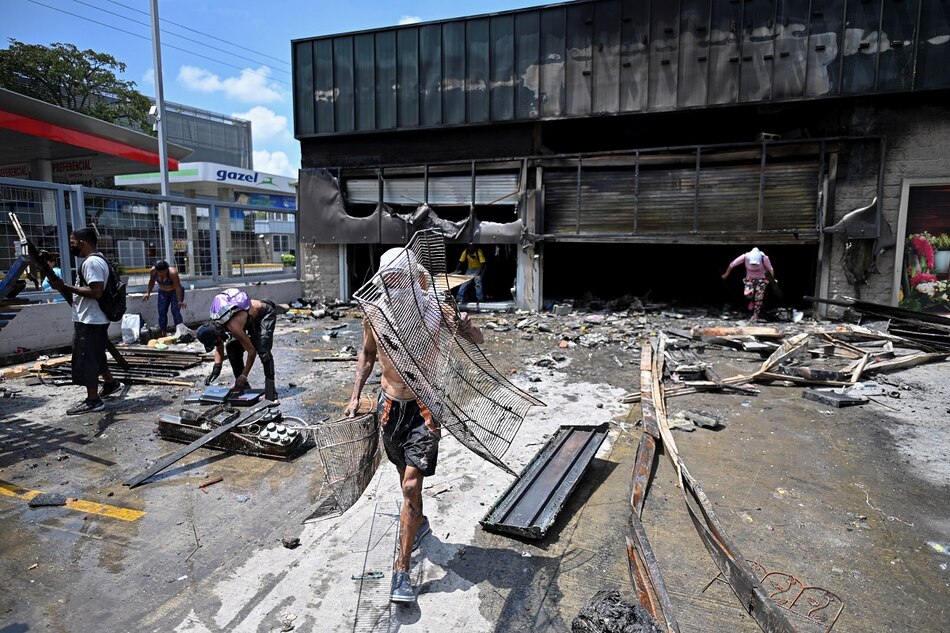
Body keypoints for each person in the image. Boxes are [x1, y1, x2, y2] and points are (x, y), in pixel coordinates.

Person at [344, 247, 484, 604]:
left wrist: (467, 326)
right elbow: (368, 354)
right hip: (389, 406)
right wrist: (354, 394)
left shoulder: (435, 308)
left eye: (397, 280)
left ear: (412, 279)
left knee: (409, 485)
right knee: (402, 473)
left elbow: (476, 339)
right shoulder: (375, 312)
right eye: (386, 281)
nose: (392, 287)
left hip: (425, 405)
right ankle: (417, 521)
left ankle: (401, 571)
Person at [48, 228, 125, 415]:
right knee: (96, 353)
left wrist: (64, 286)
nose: (72, 247)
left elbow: (96, 291)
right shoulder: (99, 260)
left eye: (73, 243)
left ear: (82, 243)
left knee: (86, 358)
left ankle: (93, 400)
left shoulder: (91, 263)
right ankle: (110, 382)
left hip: (91, 319)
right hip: (95, 318)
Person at [195, 288, 279, 401]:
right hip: (247, 319)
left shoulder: (233, 327)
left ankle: (271, 392)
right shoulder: (216, 324)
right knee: (232, 348)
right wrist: (216, 370)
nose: (216, 343)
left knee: (264, 351)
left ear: (217, 335)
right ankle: (243, 387)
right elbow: (219, 346)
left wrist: (244, 375)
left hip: (264, 314)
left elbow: (251, 352)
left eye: (215, 341)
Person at [722, 247, 777, 321]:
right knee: (747, 294)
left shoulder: (764, 258)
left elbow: (770, 269)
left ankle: (755, 316)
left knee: (759, 299)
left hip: (761, 280)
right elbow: (732, 264)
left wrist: (771, 280)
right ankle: (752, 300)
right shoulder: (745, 257)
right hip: (750, 279)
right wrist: (726, 274)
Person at [143, 260, 186, 333]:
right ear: (157, 270)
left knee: (175, 310)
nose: (162, 274)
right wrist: (148, 293)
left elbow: (177, 287)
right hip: (163, 292)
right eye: (160, 272)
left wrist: (179, 300)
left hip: (174, 292)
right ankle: (162, 331)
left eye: (164, 271)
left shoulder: (172, 273)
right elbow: (151, 281)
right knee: (162, 311)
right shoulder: (153, 271)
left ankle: (180, 331)